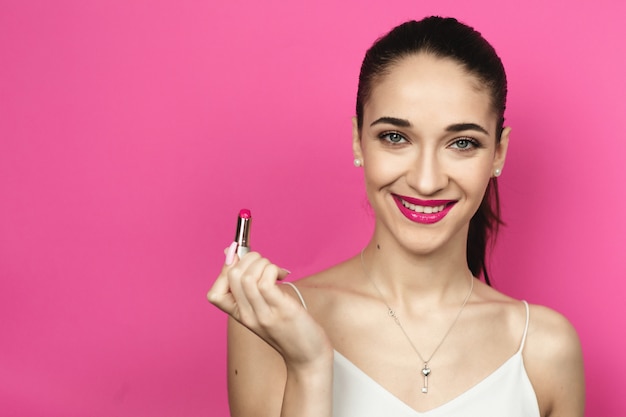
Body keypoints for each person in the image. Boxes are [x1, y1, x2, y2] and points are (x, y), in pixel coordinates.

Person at [207, 16, 585, 417]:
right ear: (358, 141)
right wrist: (310, 366)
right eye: (395, 137)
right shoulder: (271, 322)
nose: (425, 181)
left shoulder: (544, 349)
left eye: (461, 143)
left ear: (498, 154)